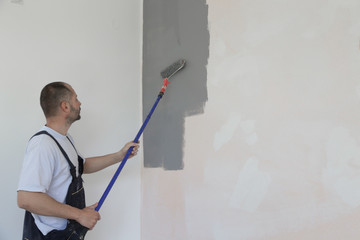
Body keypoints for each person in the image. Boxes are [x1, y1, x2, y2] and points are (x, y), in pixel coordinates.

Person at [17, 82, 139, 239]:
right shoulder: (43, 145)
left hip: (66, 233)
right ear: (65, 107)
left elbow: (82, 166)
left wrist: (119, 156)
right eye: (76, 99)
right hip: (49, 236)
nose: (80, 103)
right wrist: (79, 215)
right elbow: (27, 199)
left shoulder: (65, 139)